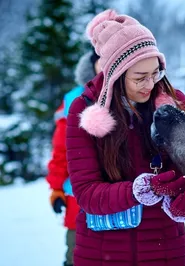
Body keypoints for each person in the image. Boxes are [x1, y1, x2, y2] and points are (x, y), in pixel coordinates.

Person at [66, 9, 185, 266]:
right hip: (103, 252)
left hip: (165, 250)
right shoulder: (84, 110)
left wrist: (181, 202)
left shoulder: (175, 105)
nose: (150, 84)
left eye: (156, 73)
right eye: (140, 78)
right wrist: (139, 190)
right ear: (115, 74)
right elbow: (85, 193)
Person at [46, 49, 100, 266]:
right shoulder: (73, 99)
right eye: (101, 61)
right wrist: (57, 187)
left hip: (119, 196)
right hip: (79, 196)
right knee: (78, 254)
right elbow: (61, 149)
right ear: (92, 65)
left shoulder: (129, 95)